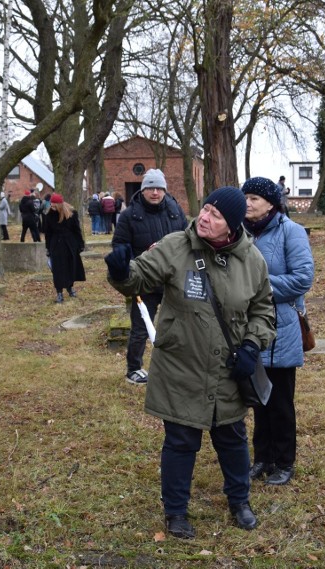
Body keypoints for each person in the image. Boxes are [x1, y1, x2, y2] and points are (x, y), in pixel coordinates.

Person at [104, 186, 275, 539]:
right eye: (206, 209)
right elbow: (139, 277)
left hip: (229, 369)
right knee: (180, 441)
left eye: (216, 215)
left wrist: (250, 346)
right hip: (181, 366)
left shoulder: (252, 260)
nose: (206, 218)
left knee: (232, 438)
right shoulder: (175, 247)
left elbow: (263, 310)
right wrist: (121, 273)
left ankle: (239, 502)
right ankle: (176, 512)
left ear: (232, 226)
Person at [241, 177, 314, 486]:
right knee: (258, 398)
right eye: (245, 197)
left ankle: (284, 462)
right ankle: (262, 458)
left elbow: (302, 278)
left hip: (281, 328)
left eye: (254, 198)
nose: (247, 203)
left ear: (270, 203)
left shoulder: (291, 232)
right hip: (250, 328)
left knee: (281, 401)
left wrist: (259, 287)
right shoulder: (241, 233)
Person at [111, 168, 187, 385]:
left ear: (164, 190)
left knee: (178, 325)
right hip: (145, 280)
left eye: (159, 188)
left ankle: (175, 366)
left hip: (174, 278)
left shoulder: (175, 210)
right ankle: (133, 369)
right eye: (151, 188)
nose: (155, 192)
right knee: (141, 326)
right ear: (143, 190)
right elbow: (119, 247)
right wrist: (144, 256)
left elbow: (187, 238)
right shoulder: (129, 215)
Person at [44, 193, 86, 303]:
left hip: (69, 244)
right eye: (51, 205)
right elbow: (48, 233)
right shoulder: (49, 215)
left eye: (54, 206)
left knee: (70, 267)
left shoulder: (71, 214)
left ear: (59, 205)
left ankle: (70, 287)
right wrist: (48, 248)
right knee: (57, 269)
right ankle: (59, 292)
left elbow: (77, 230)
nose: (52, 208)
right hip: (56, 245)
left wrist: (80, 244)